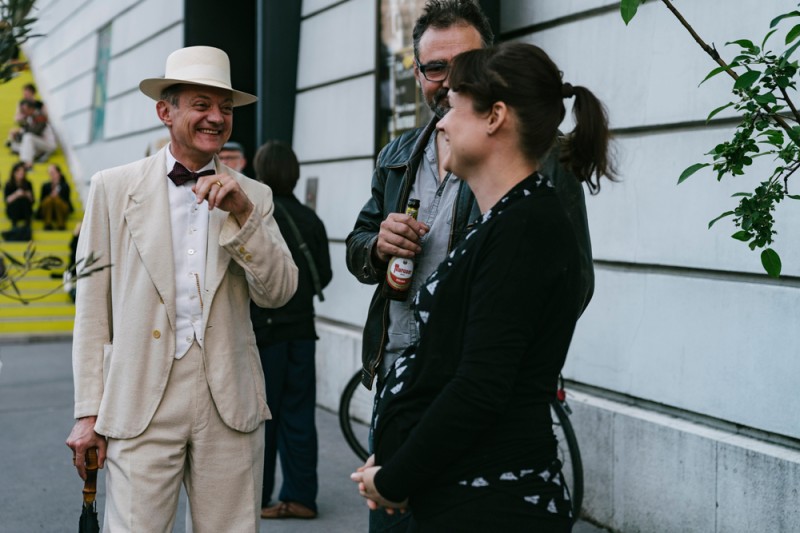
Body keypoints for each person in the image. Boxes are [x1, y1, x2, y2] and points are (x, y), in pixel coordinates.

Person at [345, 1, 594, 529]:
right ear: (418, 75)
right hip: (409, 402)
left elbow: (554, 293)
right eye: (437, 69)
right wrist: (376, 245)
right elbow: (357, 244)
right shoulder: (399, 155)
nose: (449, 84)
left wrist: (510, 365)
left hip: (468, 437)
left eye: (465, 70)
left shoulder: (534, 181)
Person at [65, 45, 298, 532]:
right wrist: (88, 412)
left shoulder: (254, 196)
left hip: (229, 401)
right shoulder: (112, 188)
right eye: (202, 105)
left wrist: (243, 217)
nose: (216, 118)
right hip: (139, 400)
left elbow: (279, 292)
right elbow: (91, 309)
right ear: (165, 111)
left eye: (226, 108)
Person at [251, 140, 332, 520]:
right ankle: (301, 497)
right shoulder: (311, 219)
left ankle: (260, 497)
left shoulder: (259, 216)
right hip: (302, 330)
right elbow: (325, 274)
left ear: (261, 172)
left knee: (263, 416)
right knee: (299, 414)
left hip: (264, 333)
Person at [10, 98, 57, 168]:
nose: (23, 112)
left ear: (31, 109)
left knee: (28, 137)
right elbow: (26, 131)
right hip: (38, 144)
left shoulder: (40, 117)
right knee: (15, 145)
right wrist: (16, 135)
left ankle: (27, 163)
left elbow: (35, 132)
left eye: (25, 110)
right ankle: (39, 155)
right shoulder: (30, 118)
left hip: (48, 144)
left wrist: (19, 133)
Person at [37, 163, 73, 230]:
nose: (52, 175)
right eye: (50, 173)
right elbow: (42, 201)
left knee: (56, 200)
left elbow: (66, 200)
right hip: (48, 208)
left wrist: (57, 196)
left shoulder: (65, 186)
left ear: (59, 173)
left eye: (53, 172)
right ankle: (49, 223)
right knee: (49, 200)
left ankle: (59, 223)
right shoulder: (45, 186)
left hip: (61, 208)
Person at [3, 161, 34, 234]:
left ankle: (27, 224)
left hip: (25, 210)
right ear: (14, 173)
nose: (21, 173)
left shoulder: (28, 183)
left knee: (23, 200)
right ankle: (14, 225)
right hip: (13, 210)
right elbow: (7, 201)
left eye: (22, 171)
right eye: (19, 171)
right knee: (17, 201)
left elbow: (32, 201)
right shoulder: (9, 185)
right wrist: (16, 194)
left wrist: (26, 194)